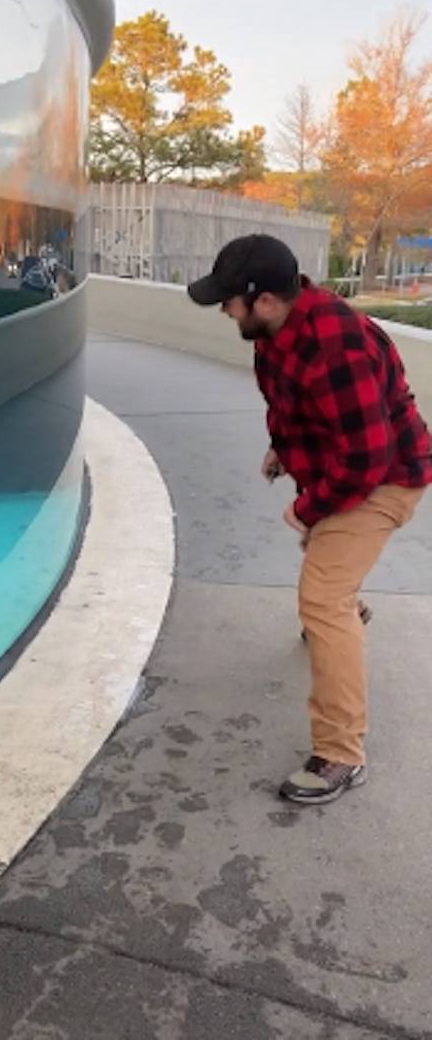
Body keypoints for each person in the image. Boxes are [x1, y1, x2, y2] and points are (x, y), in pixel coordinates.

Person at [187, 234, 432, 805]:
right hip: (345, 467)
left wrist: (306, 506)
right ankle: (344, 609)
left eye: (229, 300)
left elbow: (368, 459)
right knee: (326, 568)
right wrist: (284, 449)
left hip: (386, 478)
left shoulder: (336, 345)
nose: (224, 309)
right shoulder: (275, 331)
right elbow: (301, 408)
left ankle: (342, 754)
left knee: (321, 594)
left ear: (265, 300)